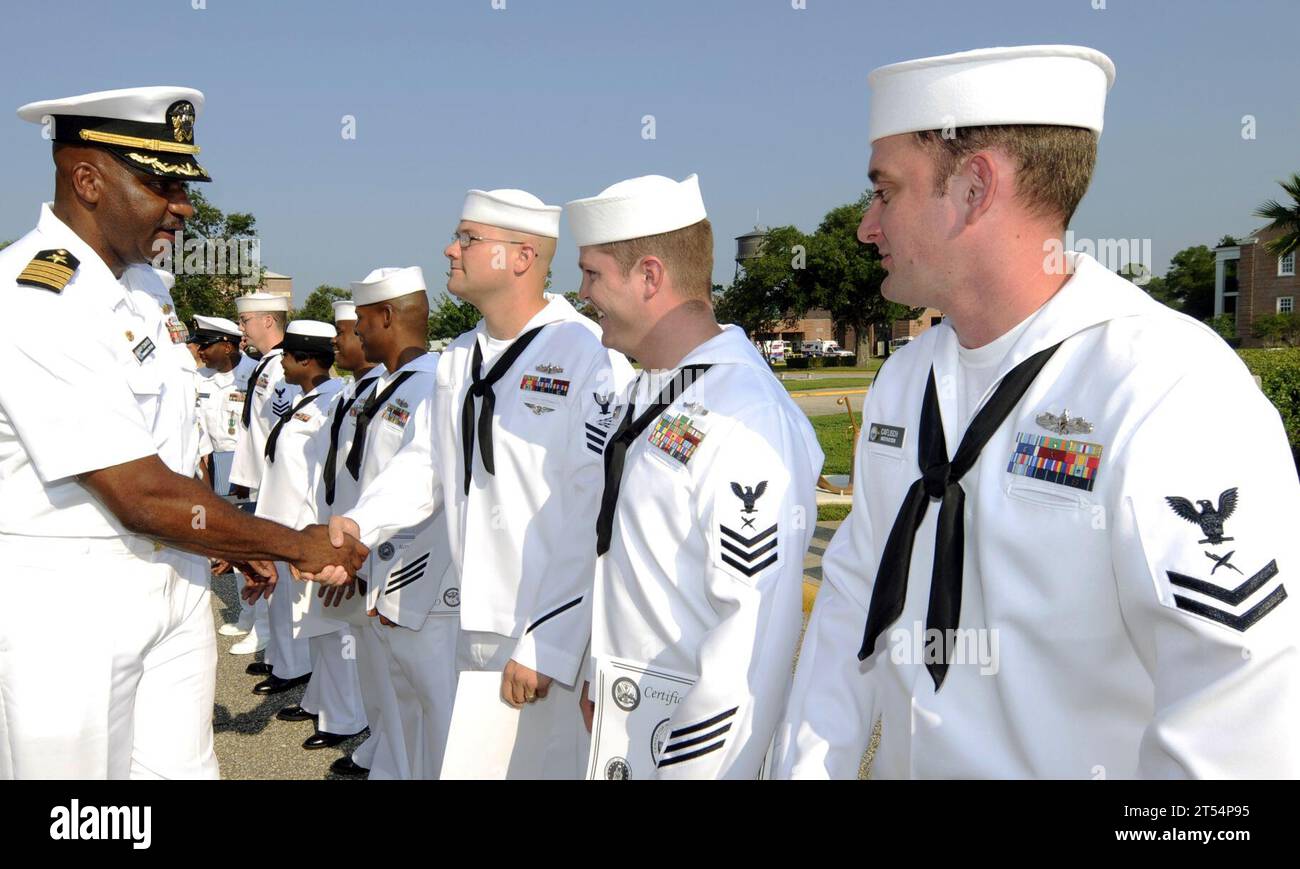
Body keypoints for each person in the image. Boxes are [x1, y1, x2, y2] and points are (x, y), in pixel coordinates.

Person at [775, 45, 1300, 779]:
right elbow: (851, 605)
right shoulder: (905, 380)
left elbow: (1236, 729)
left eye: (885, 191)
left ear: (974, 187)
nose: (867, 225)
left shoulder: (1165, 390)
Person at [0, 86, 367, 780]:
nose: (184, 205)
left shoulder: (147, 288)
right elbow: (137, 491)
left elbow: (173, 446)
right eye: (162, 183)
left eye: (185, 184)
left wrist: (226, 535)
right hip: (68, 613)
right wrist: (290, 544)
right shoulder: (34, 296)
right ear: (88, 181)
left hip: (172, 584)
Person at [313, 188, 634, 778]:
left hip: (547, 630)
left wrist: (551, 639)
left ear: (522, 257)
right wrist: (360, 523)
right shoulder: (460, 358)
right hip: (472, 622)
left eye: (467, 239)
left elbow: (596, 509)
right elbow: (425, 464)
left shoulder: (587, 356)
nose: (450, 249)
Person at [565, 174, 822, 779]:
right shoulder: (653, 389)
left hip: (687, 754)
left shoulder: (746, 415)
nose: (581, 294)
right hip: (626, 728)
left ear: (649, 277)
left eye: (593, 274)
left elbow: (749, 647)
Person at [343, 266, 456, 777]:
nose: (357, 331)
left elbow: (431, 494)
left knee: (437, 721)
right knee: (400, 710)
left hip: (421, 590)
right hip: (381, 573)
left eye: (362, 320)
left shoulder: (434, 387)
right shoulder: (387, 388)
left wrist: (400, 585)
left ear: (386, 316)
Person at [228, 291, 299, 657]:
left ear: (268, 321)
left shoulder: (282, 367)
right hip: (256, 478)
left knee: (272, 567)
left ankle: (273, 640)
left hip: (271, 482)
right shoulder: (266, 364)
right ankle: (266, 635)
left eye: (246, 321)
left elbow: (280, 432)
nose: (242, 329)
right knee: (259, 562)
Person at [192, 314, 267, 640]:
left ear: (227, 344)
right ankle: (248, 614)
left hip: (254, 474)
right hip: (222, 472)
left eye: (206, 346)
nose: (200, 352)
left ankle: (263, 624)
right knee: (234, 545)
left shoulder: (255, 376)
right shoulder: (200, 381)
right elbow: (202, 439)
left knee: (258, 548)